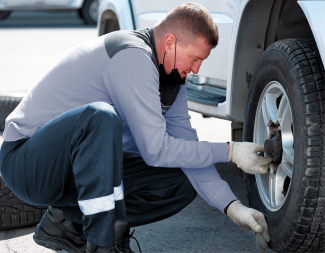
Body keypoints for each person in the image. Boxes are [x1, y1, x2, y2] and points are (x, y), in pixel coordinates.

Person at [0, 3, 272, 253]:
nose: (197, 69)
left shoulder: (173, 81)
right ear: (170, 42)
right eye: (194, 58)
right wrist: (230, 151)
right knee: (100, 117)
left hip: (74, 166)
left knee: (182, 179)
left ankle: (65, 222)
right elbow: (156, 151)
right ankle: (101, 245)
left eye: (202, 61)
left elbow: (187, 147)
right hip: (27, 161)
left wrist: (231, 205)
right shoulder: (131, 56)